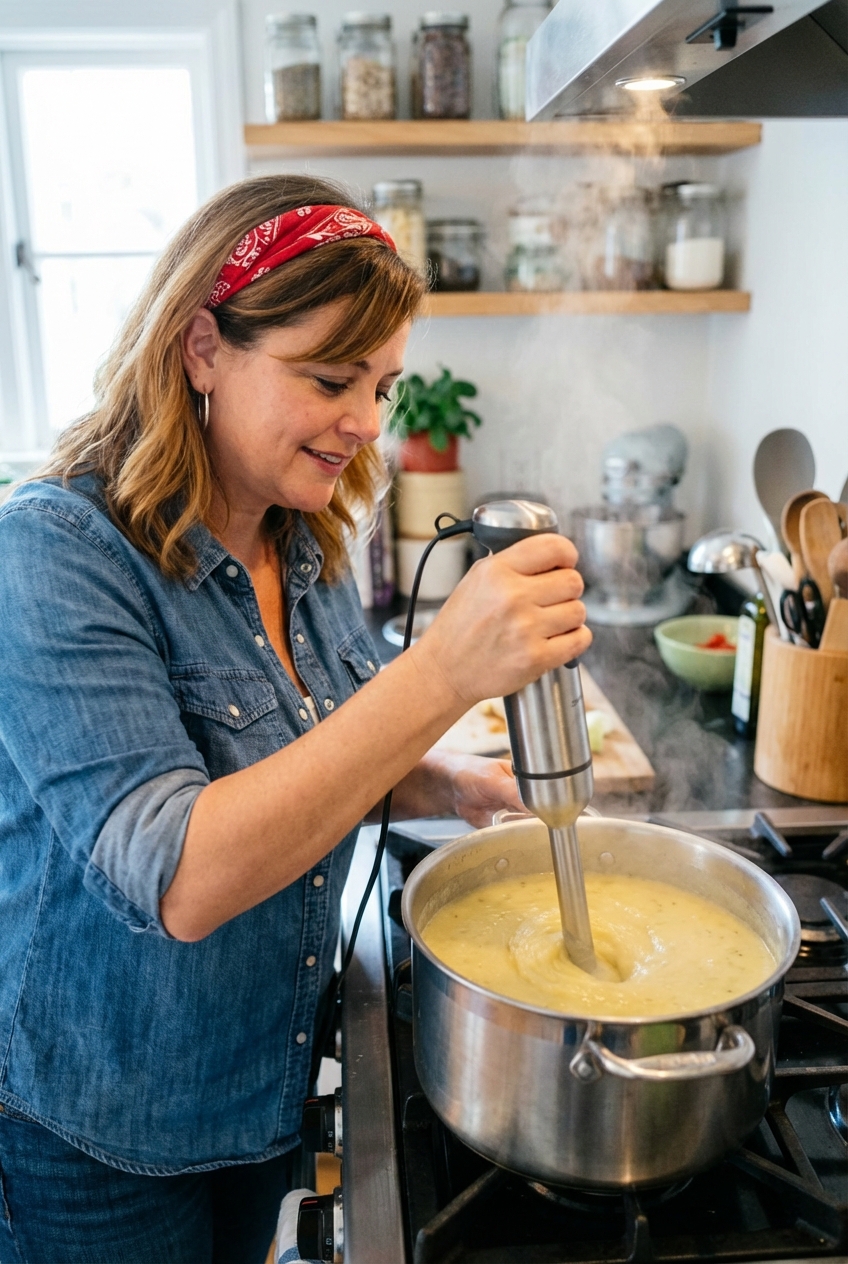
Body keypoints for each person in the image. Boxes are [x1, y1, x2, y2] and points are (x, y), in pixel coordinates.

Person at [0, 174, 590, 1263]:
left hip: (259, 1087)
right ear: (201, 349)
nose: (363, 422)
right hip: (99, 1127)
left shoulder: (300, 528)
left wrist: (443, 785)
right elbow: (178, 872)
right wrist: (443, 673)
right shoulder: (55, 552)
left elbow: (316, 743)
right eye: (329, 378)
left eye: (381, 384)